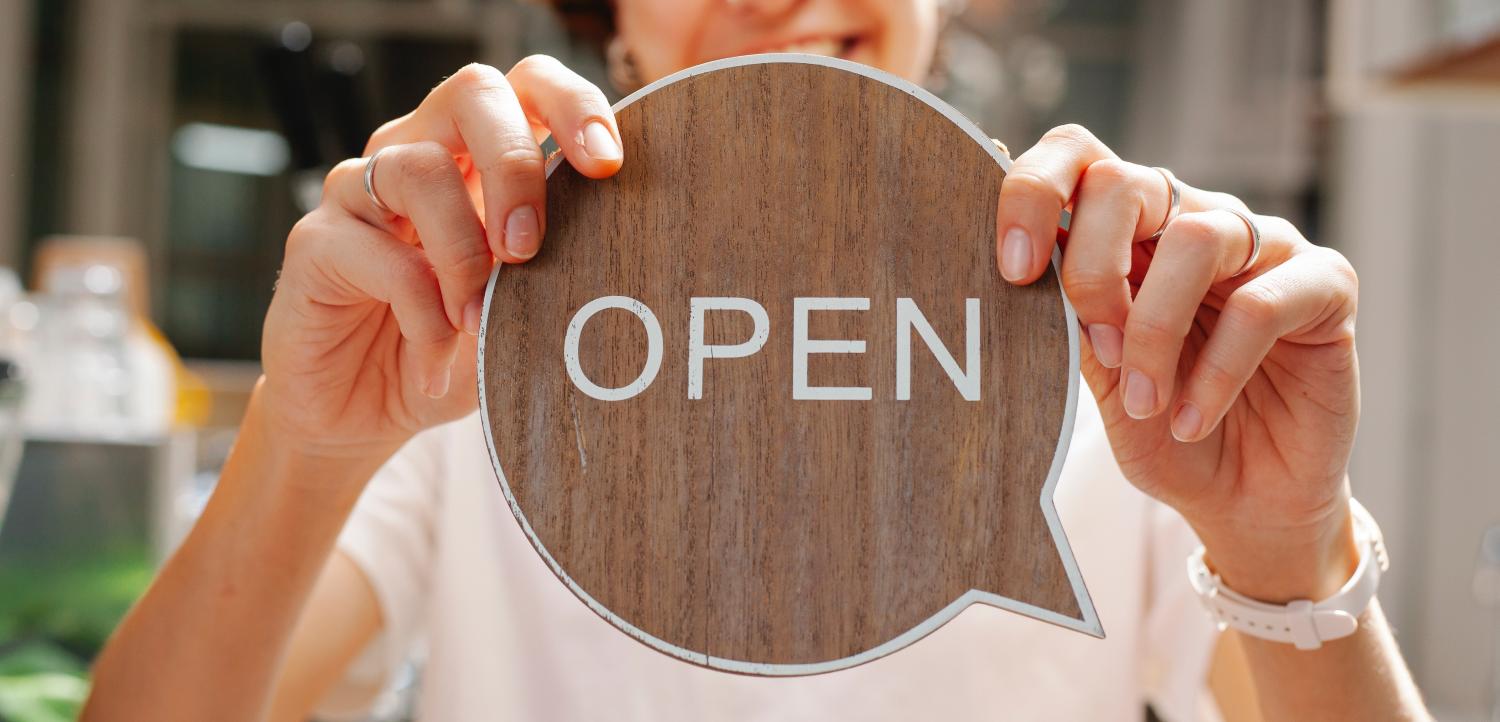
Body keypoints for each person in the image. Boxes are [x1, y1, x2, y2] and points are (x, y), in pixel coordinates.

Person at [83, 1, 1431, 720]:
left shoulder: (1117, 354)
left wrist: (1284, 546)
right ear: (605, 11)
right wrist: (306, 438)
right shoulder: (477, 339)